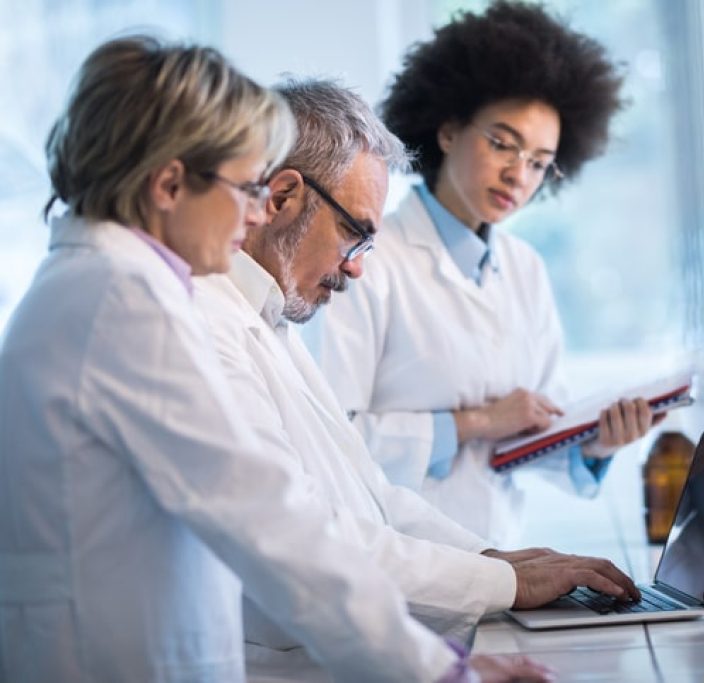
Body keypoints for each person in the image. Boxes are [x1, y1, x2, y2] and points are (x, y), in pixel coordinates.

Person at [0, 36, 552, 683]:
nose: (259, 210)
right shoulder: (124, 300)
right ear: (170, 183)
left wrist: (485, 593)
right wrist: (444, 670)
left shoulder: (104, 287)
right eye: (246, 186)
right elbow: (271, 522)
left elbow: (347, 501)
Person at [191, 78, 640, 656]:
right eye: (353, 233)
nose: (356, 270)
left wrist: (493, 562)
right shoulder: (217, 318)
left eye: (538, 162)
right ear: (280, 198)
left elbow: (370, 495)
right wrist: (499, 578)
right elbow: (296, 535)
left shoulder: (271, 315)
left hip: (414, 596)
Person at [310, 1, 657, 546]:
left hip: (501, 565)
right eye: (502, 143)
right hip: (397, 570)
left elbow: (531, 435)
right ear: (448, 130)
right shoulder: (365, 260)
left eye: (540, 162)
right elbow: (328, 440)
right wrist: (474, 423)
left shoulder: (525, 269)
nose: (519, 175)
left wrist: (596, 444)